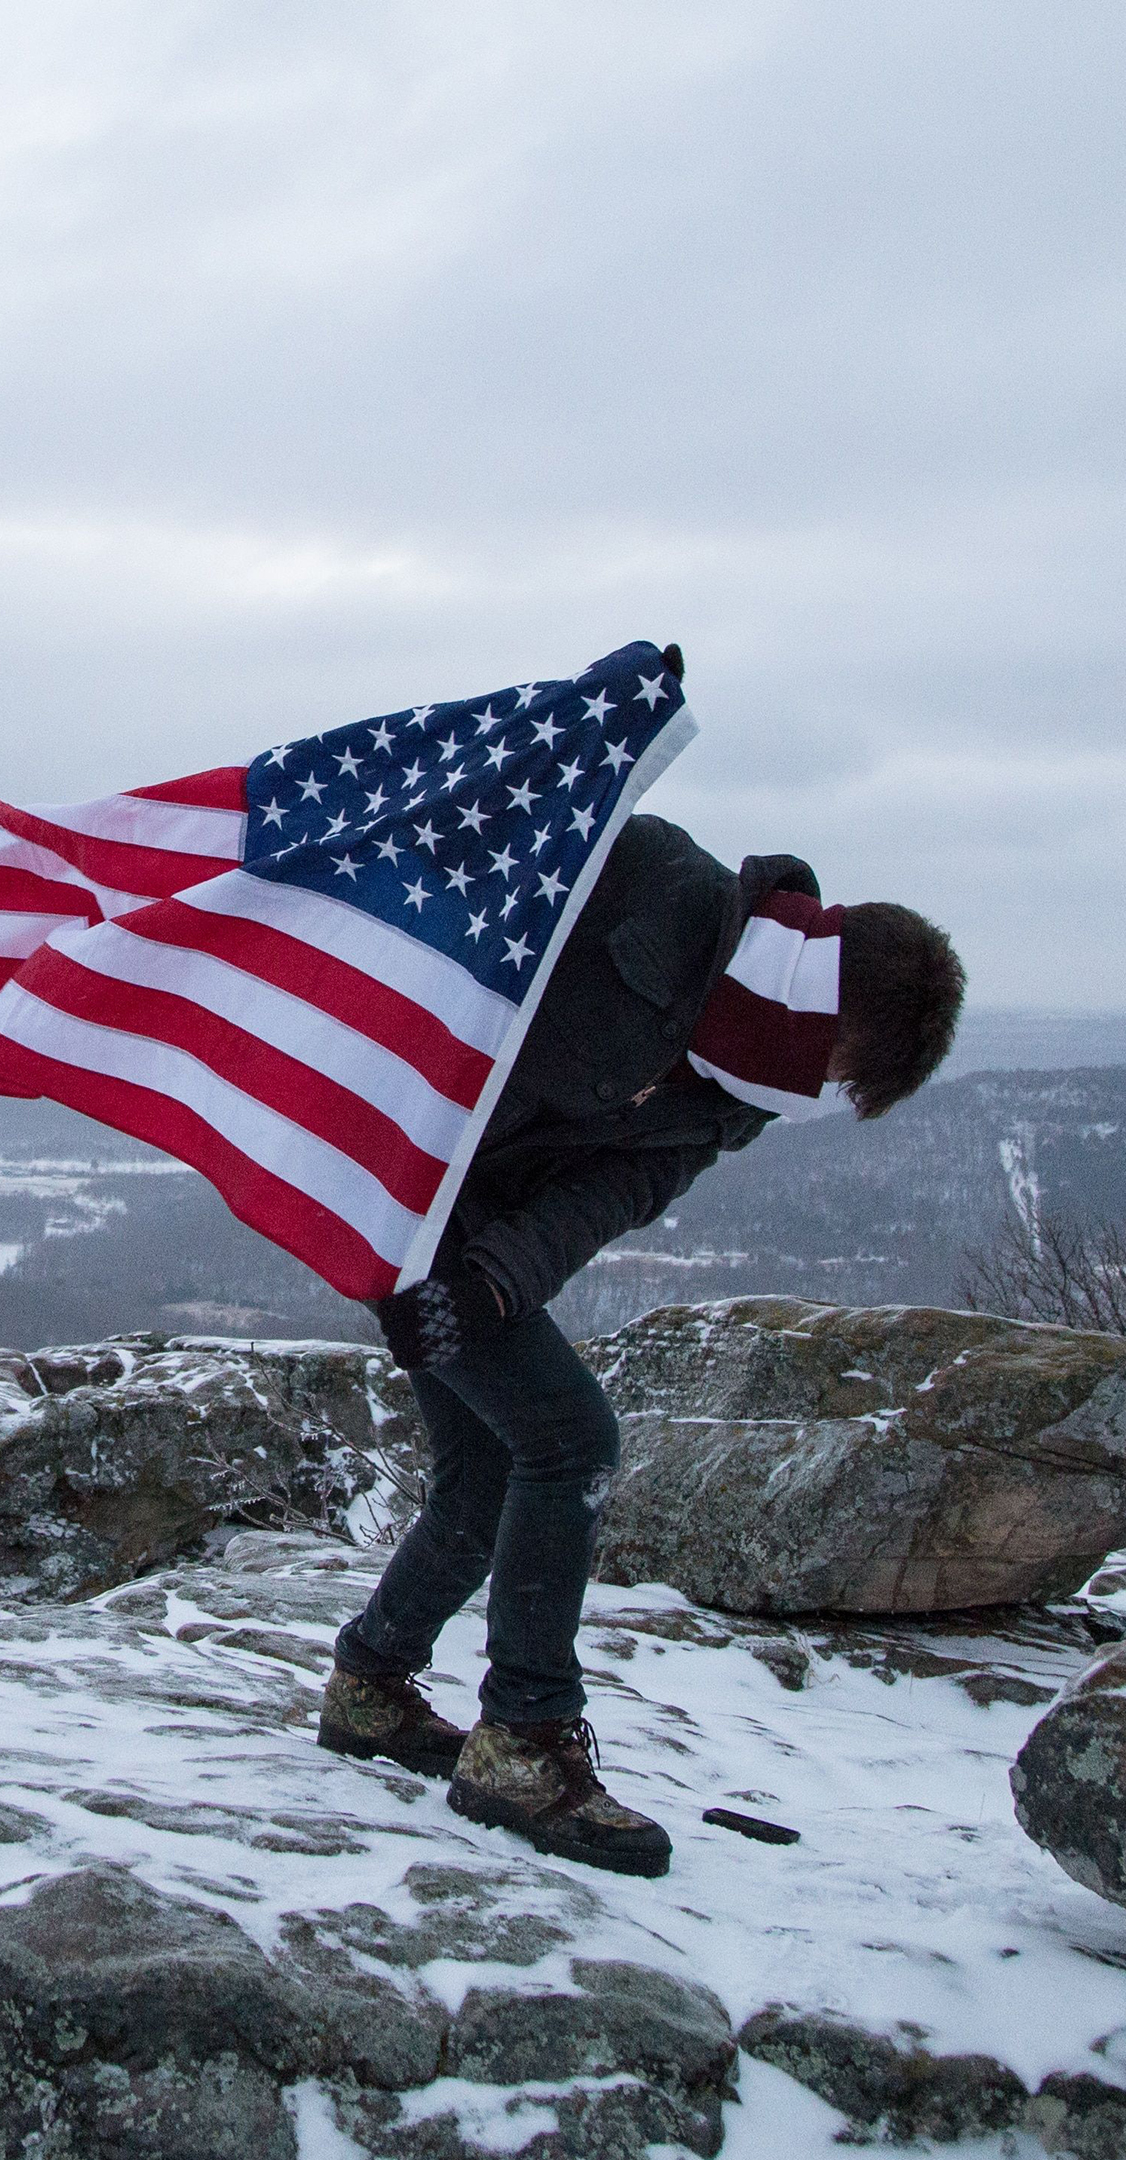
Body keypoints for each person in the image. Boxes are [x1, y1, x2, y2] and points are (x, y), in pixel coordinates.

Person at [313, 801, 966, 1877]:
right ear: (834, 997)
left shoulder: (742, 1088)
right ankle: (521, 1740)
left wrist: (487, 1289)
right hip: (392, 1154)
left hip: (461, 1226)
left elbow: (611, 1193)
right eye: (846, 1064)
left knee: (486, 1468)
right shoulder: (654, 885)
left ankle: (371, 1687)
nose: (825, 1092)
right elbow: (470, 883)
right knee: (570, 1441)